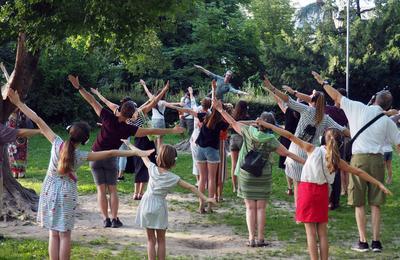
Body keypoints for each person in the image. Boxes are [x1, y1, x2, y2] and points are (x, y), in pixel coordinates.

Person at [7, 89, 154, 260]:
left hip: (49, 191)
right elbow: (112, 153)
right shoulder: (82, 156)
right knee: (65, 235)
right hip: (67, 193)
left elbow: (37, 119)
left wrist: (18, 103)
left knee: (53, 234)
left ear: (70, 132)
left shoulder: (56, 143)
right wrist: (137, 153)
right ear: (85, 141)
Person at [257, 119, 391, 260]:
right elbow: (358, 172)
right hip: (322, 193)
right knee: (322, 233)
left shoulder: (311, 149)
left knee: (310, 234)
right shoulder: (337, 161)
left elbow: (289, 135)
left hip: (307, 191)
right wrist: (379, 183)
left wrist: (268, 125)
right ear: (339, 144)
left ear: (322, 139)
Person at [68, 75, 183, 228]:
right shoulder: (128, 128)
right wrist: (172, 130)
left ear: (120, 109)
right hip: (111, 158)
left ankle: (105, 219)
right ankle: (115, 219)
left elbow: (91, 100)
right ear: (132, 115)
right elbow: (153, 129)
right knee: (113, 190)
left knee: (101, 190)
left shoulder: (107, 117)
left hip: (95, 156)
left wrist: (79, 87)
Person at [313, 71, 400, 253]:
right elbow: (399, 145)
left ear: (374, 98)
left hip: (358, 160)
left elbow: (336, 95)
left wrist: (324, 82)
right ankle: (377, 242)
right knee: (376, 204)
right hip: (377, 160)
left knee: (359, 203)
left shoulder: (358, 107)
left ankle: (363, 242)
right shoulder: (387, 121)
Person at [213, 99, 305, 247]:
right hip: (263, 175)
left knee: (249, 208)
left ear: (258, 123)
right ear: (271, 124)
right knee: (261, 208)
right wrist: (307, 161)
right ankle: (261, 239)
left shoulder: (248, 131)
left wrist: (220, 109)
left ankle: (251, 239)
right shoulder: (272, 139)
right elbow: (287, 153)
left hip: (246, 175)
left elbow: (232, 122)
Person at [122, 140, 216, 260]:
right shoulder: (174, 178)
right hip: (159, 207)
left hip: (146, 204)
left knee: (150, 240)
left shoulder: (152, 168)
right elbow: (191, 187)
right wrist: (206, 198)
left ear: (158, 158)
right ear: (173, 162)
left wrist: (129, 144)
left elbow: (141, 154)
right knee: (161, 240)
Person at [263, 76, 349, 207]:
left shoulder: (307, 110)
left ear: (312, 101)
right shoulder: (326, 119)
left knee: (297, 184)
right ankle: (309, 206)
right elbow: (342, 129)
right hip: (311, 154)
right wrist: (360, 134)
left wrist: (272, 88)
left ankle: (300, 210)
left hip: (296, 150)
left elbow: (288, 100)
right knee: (308, 183)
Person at [194, 81, 229, 213]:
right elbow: (233, 122)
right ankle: (209, 206)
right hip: (212, 151)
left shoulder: (205, 116)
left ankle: (201, 205)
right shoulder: (221, 122)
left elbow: (212, 103)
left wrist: (213, 89)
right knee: (211, 179)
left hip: (200, 150)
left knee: (202, 179)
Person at [270, 91, 301, 196]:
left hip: (286, 139)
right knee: (296, 162)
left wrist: (271, 91)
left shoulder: (288, 110)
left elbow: (279, 101)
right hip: (297, 140)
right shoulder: (303, 113)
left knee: (287, 163)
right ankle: (297, 185)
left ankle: (289, 188)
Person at [139, 79, 184, 150]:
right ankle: (160, 154)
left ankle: (154, 152)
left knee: (154, 138)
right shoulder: (162, 102)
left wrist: (144, 84)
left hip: (153, 120)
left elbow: (147, 92)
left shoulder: (153, 100)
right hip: (160, 120)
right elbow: (170, 105)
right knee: (160, 139)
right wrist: (178, 103)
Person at [230, 100, 249, 193]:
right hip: (242, 139)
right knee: (243, 164)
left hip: (233, 139)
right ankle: (241, 186)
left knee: (234, 164)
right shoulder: (247, 117)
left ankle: (234, 186)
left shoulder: (233, 117)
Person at [7, 109, 33, 178]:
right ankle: (14, 172)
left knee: (22, 155)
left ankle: (21, 172)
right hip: (12, 138)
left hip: (22, 138)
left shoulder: (23, 114)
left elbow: (29, 126)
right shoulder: (8, 114)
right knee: (13, 155)